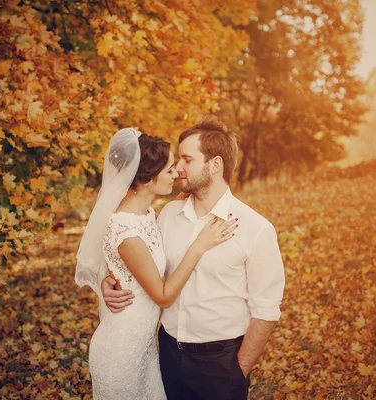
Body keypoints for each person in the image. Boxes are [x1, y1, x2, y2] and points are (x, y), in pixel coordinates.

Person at [101, 116, 286, 400]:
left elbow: (267, 310)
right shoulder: (166, 216)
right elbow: (141, 262)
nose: (177, 168)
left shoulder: (256, 229)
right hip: (168, 356)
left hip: (221, 362)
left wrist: (240, 368)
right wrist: (110, 280)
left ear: (215, 165)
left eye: (187, 159)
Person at [75, 127, 238, 400]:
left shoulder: (147, 213)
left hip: (146, 347)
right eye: (170, 169)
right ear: (148, 179)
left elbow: (127, 267)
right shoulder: (125, 229)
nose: (176, 173)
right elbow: (162, 296)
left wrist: (109, 280)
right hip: (121, 352)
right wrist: (199, 245)